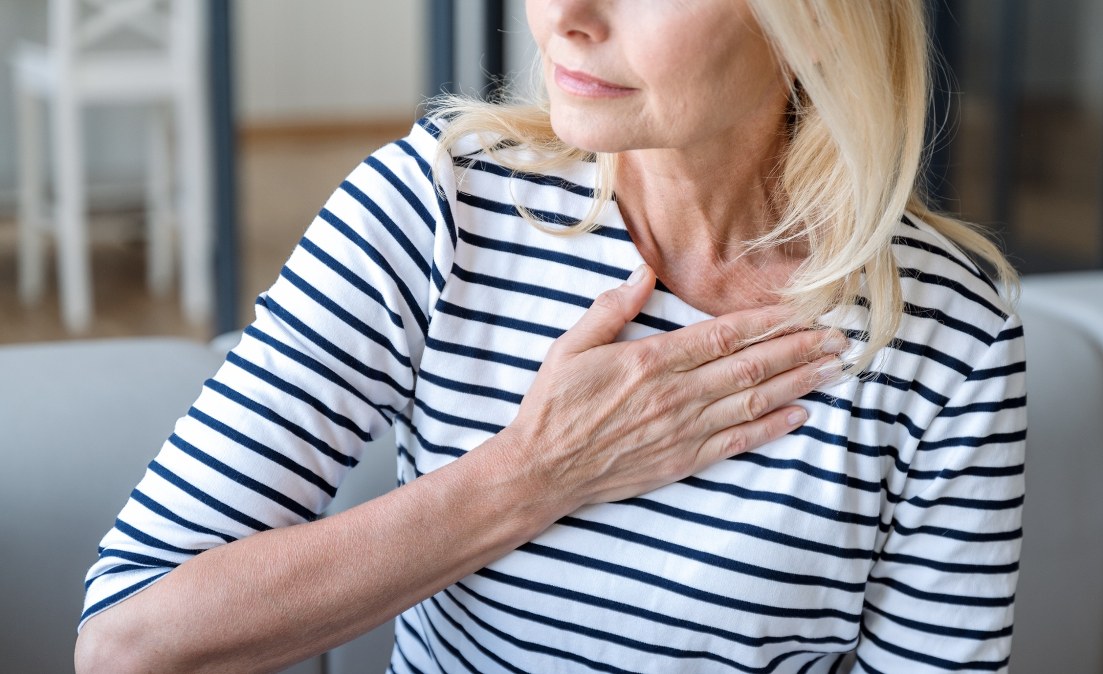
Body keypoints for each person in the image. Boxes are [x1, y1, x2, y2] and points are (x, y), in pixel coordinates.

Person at [75, 0, 1027, 672]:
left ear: (814, 20)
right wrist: (534, 475)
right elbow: (127, 644)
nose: (566, 14)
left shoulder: (951, 335)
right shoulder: (436, 210)